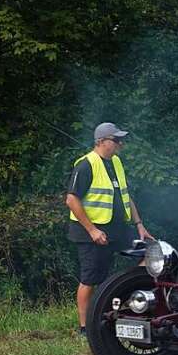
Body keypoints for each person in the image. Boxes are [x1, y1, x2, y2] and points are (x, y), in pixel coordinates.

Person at [66, 122, 151, 335]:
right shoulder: (85, 165)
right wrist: (93, 230)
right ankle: (85, 328)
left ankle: (129, 304)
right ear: (101, 141)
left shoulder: (116, 162)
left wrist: (139, 224)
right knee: (90, 279)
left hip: (118, 229)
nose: (120, 144)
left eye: (121, 140)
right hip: (91, 233)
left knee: (150, 254)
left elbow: (125, 196)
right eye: (116, 140)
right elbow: (71, 200)